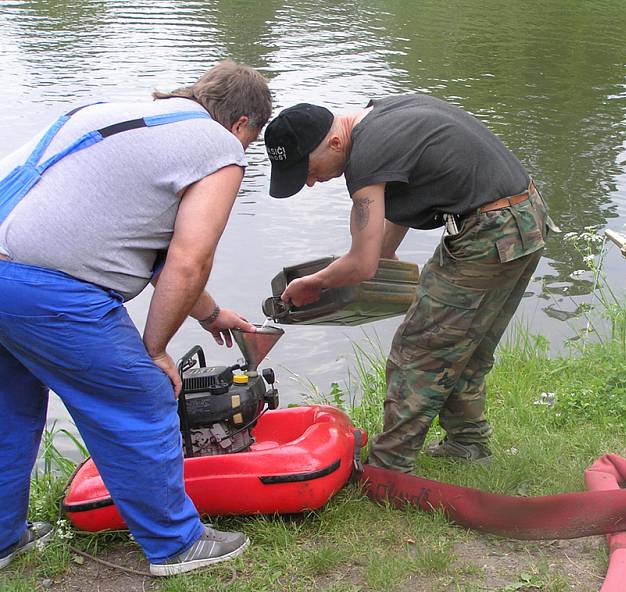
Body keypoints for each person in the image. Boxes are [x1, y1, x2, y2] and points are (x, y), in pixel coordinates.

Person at [0, 61, 272, 575]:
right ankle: (176, 544)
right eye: (250, 141)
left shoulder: (116, 115)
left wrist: (211, 314)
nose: (243, 152)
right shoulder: (220, 147)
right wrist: (155, 349)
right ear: (241, 125)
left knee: (8, 406)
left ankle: (3, 540)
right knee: (141, 395)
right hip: (46, 288)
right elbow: (189, 259)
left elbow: (139, 244)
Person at [263, 95, 554, 474]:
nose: (311, 182)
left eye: (309, 170)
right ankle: (467, 444)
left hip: (489, 231)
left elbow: (361, 264)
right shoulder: (383, 116)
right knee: (467, 342)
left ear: (335, 143)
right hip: (523, 218)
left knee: (418, 350)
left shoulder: (365, 156)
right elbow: (406, 189)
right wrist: (385, 253)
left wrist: (312, 283)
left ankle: (389, 469)